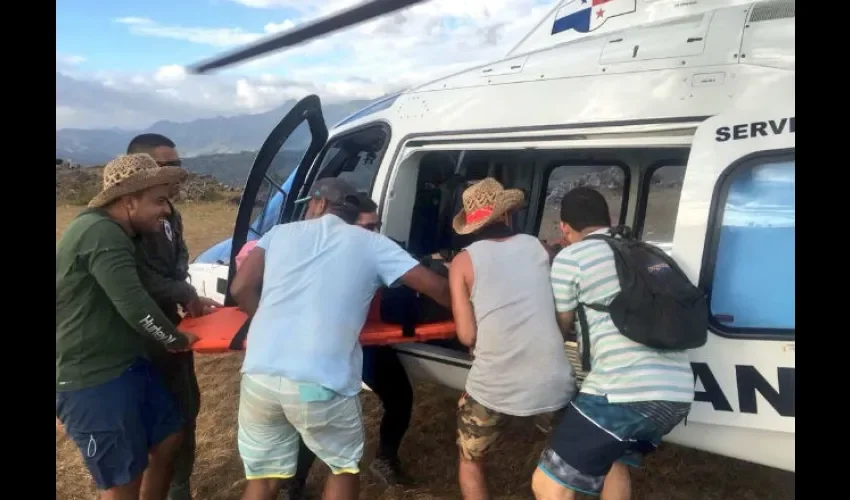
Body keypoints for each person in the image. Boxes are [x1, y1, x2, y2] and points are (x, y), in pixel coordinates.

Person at [230, 178, 451, 500]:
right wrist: (474, 315)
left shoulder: (279, 233)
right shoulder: (372, 243)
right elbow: (437, 287)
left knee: (264, 477)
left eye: (308, 204)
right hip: (318, 381)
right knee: (342, 467)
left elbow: (239, 288)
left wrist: (265, 319)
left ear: (319, 203)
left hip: (259, 374)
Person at [531, 187, 695, 500]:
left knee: (548, 485)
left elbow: (560, 328)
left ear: (564, 228)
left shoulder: (572, 258)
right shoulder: (645, 251)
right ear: (610, 219)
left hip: (620, 393)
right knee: (613, 463)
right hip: (675, 394)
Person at [56, 153, 199, 500]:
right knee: (124, 479)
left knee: (168, 438)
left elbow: (145, 282)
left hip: (127, 364)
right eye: (159, 201)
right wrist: (174, 338)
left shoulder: (119, 232)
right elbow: (134, 304)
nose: (167, 209)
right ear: (129, 201)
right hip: (92, 375)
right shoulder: (101, 233)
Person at [448, 178, 577, 500]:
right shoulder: (537, 247)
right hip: (553, 379)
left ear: (473, 224)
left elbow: (466, 334)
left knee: (470, 458)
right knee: (565, 462)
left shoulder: (463, 262)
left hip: (494, 386)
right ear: (507, 215)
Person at [285, 193, 415, 500]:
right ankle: (295, 481)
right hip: (328, 347)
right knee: (315, 411)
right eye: (366, 227)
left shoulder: (374, 248)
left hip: (367, 340)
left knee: (400, 396)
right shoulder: (327, 255)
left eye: (376, 226)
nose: (373, 234)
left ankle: (385, 458)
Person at [128, 133, 221, 500]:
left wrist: (185, 291)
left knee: (186, 408)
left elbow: (179, 257)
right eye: (169, 165)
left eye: (179, 164)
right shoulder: (126, 223)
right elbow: (137, 278)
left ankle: (179, 487)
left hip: (172, 326)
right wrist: (182, 291)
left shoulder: (172, 215)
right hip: (140, 335)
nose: (178, 172)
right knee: (151, 423)